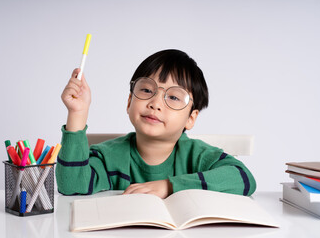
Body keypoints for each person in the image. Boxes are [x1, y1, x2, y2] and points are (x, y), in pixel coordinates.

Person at [56, 49, 256, 198]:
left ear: (191, 118)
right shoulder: (109, 157)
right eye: (146, 90)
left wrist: (169, 186)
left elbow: (244, 179)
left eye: (174, 97)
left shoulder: (198, 156)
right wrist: (77, 112)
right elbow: (71, 184)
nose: (155, 103)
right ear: (129, 102)